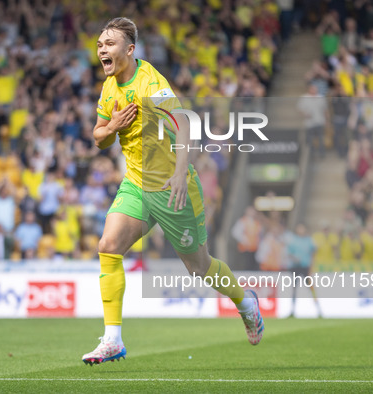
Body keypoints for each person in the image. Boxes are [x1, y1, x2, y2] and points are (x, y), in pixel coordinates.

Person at [82, 18, 263, 366]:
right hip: (136, 183)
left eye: (110, 43)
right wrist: (113, 127)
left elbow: (184, 122)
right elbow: (98, 136)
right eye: (100, 43)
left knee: (199, 267)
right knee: (108, 246)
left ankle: (245, 302)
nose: (102, 48)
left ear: (130, 50)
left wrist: (181, 172)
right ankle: (112, 340)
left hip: (172, 188)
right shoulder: (109, 86)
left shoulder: (151, 84)